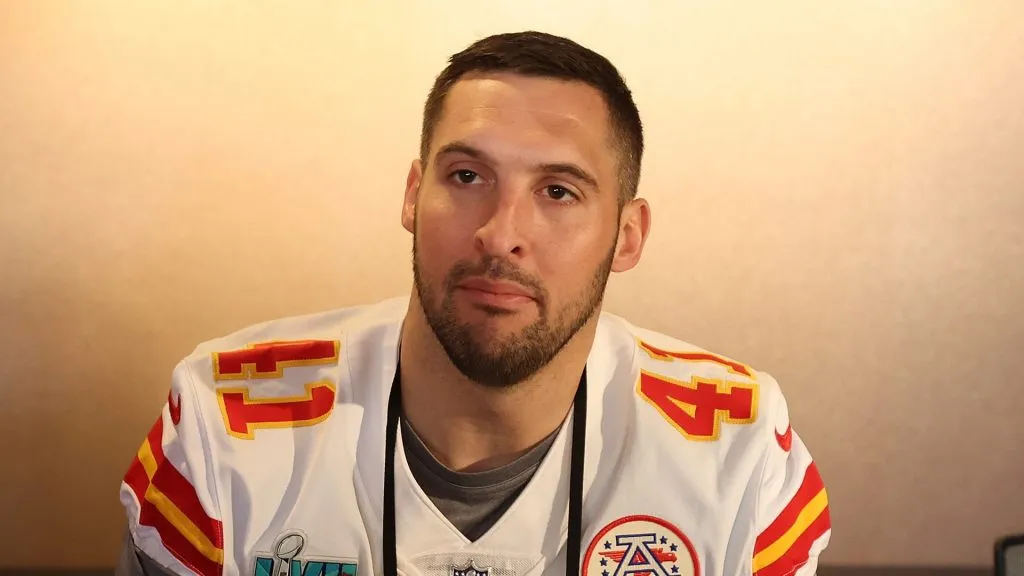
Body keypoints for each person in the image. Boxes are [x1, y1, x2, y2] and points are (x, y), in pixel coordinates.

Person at [115, 31, 831, 576]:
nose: (500, 234)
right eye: (466, 175)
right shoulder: (221, 426)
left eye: (558, 191)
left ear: (628, 236)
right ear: (411, 195)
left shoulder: (739, 448)